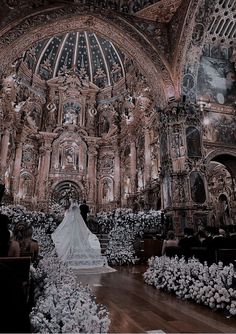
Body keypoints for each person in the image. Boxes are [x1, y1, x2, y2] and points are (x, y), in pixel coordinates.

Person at [51, 199, 114, 270]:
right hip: (81, 219)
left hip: (74, 223)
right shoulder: (82, 207)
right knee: (78, 234)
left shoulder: (76, 209)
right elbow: (84, 213)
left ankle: (71, 249)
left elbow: (69, 217)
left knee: (71, 236)